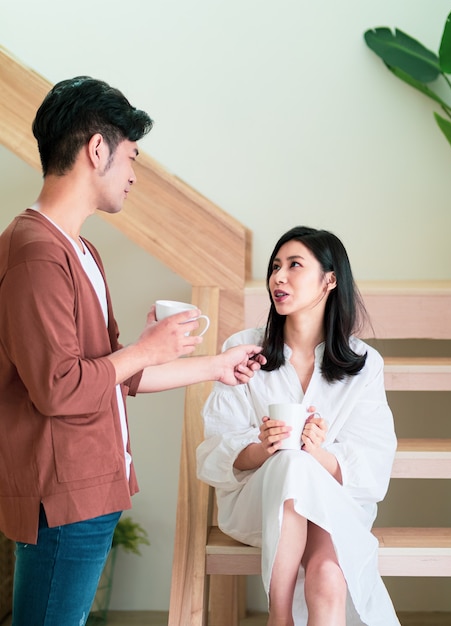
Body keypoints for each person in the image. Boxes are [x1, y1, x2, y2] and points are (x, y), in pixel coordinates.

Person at [0, 76, 265, 626]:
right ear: (98, 150)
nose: (134, 176)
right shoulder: (36, 253)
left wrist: (215, 365)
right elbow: (59, 387)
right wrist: (144, 350)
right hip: (65, 492)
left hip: (91, 487)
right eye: (131, 157)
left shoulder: (81, 250)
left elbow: (114, 375)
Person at [197, 226, 400, 626]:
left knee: (328, 577)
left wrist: (318, 454)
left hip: (332, 500)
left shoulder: (364, 364)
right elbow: (215, 446)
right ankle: (280, 613)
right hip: (257, 503)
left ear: (330, 279)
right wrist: (263, 448)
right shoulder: (245, 348)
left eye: (294, 266)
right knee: (290, 464)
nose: (278, 278)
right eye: (275, 267)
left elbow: (374, 461)